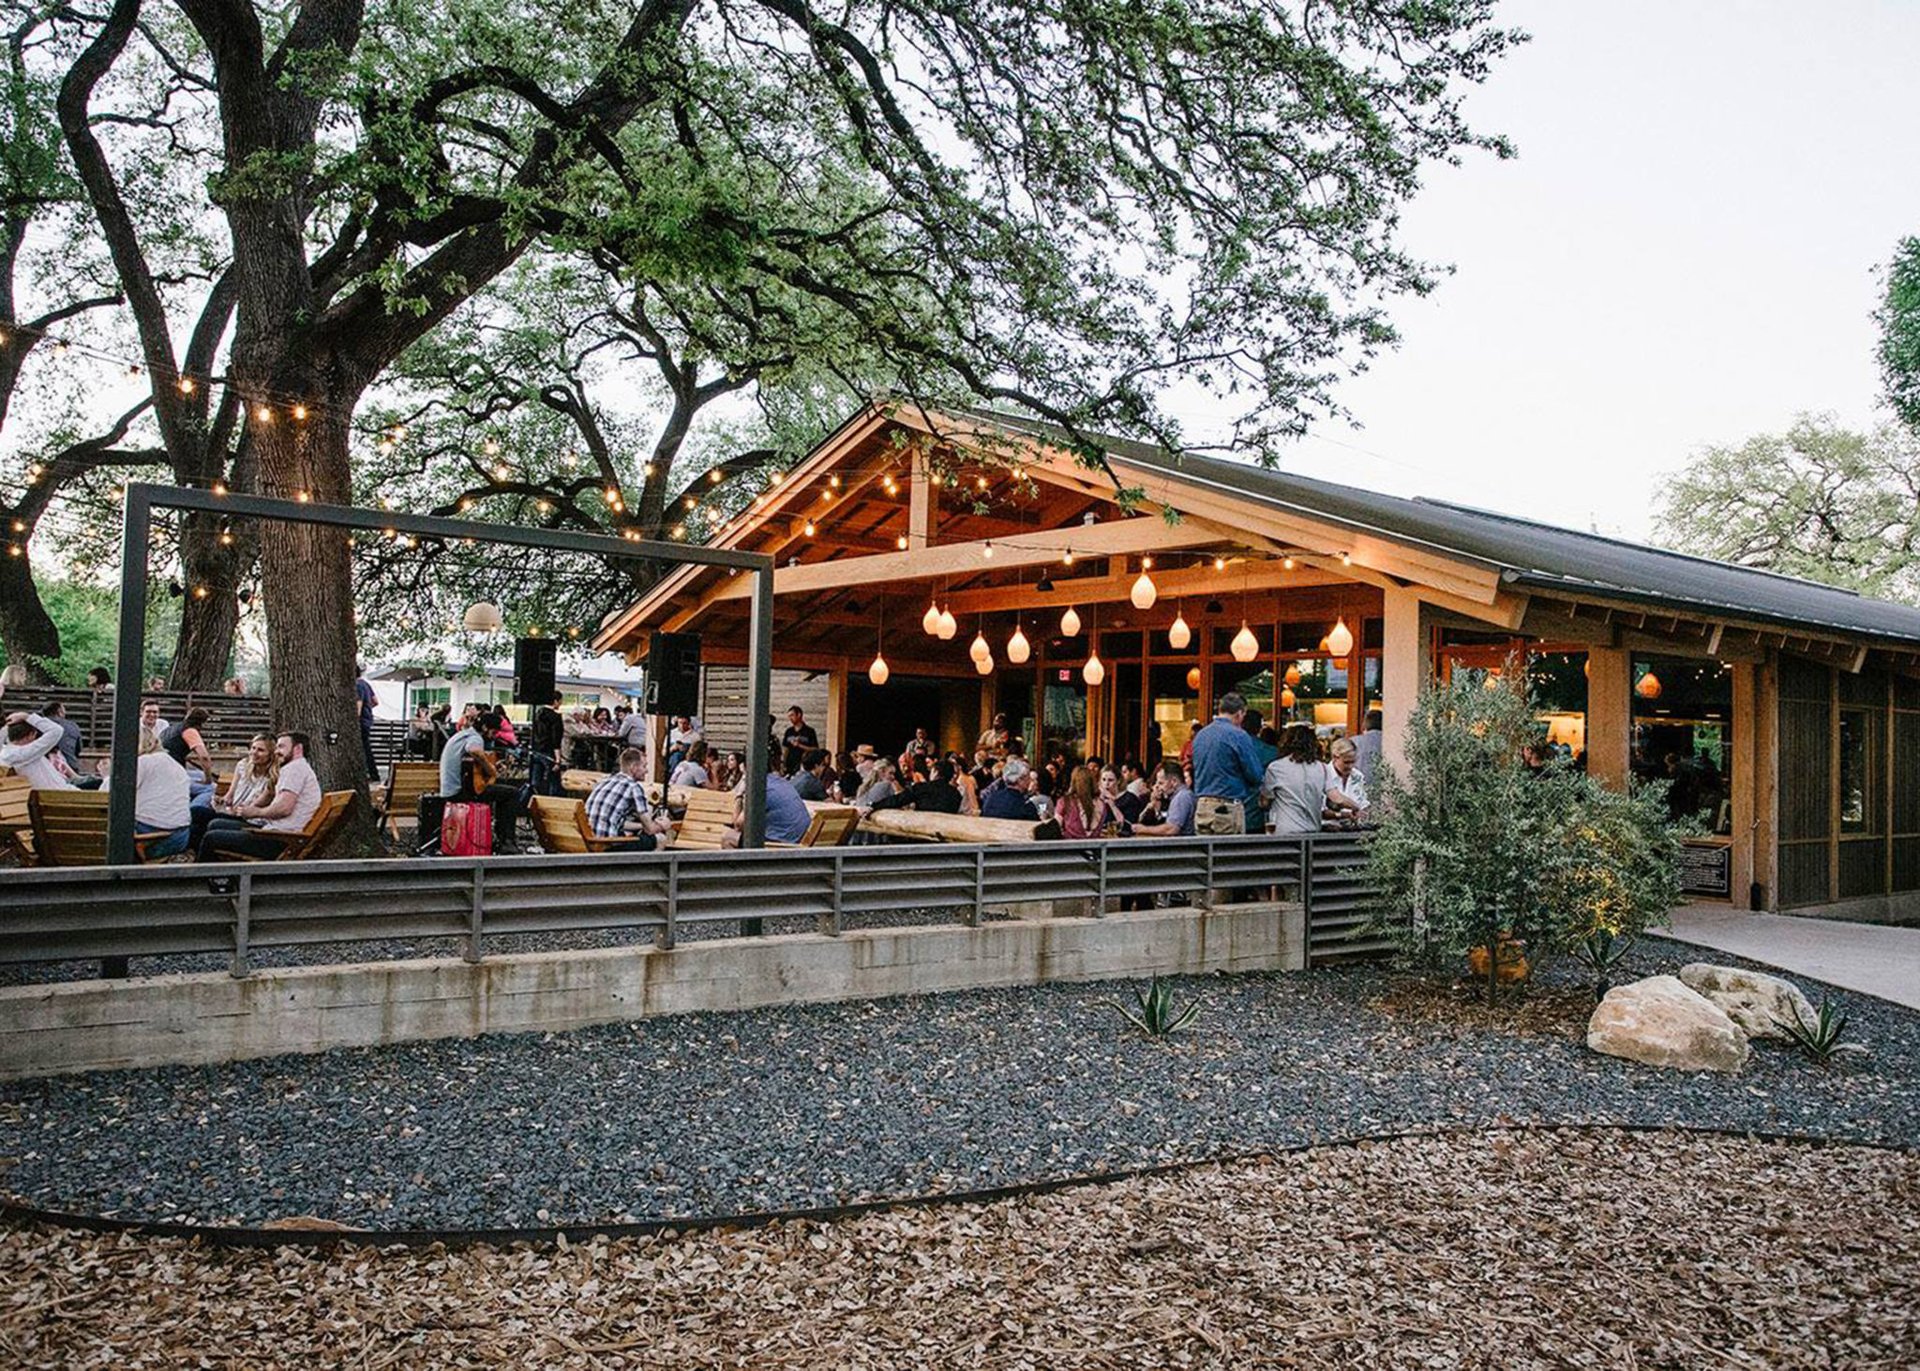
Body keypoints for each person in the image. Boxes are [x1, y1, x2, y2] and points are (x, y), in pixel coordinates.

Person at [197, 732, 323, 861]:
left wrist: (257, 812)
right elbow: (273, 797)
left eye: (281, 747)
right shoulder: (296, 768)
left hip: (281, 840)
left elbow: (284, 808)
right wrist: (250, 809)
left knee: (211, 838)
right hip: (278, 833)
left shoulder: (295, 770)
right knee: (215, 824)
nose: (277, 751)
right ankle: (220, 877)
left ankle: (199, 879)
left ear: (298, 749)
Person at [439, 712, 519, 851]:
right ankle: (507, 842)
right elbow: (474, 751)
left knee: (498, 792)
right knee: (511, 793)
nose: (494, 736)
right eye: (493, 732)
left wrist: (491, 764)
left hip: (450, 788)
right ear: (484, 727)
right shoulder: (475, 738)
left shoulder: (462, 734)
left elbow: (469, 765)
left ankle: (495, 837)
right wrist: (491, 770)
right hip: (459, 791)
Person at [1189, 691, 1265, 834]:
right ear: (1240, 713)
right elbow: (1254, 775)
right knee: (1228, 854)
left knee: (1206, 853)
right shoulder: (1238, 735)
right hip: (1227, 806)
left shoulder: (1201, 735)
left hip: (1202, 806)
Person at [191, 733, 278, 853]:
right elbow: (229, 797)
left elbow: (253, 808)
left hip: (251, 819)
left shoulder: (272, 778)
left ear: (271, 755)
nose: (254, 752)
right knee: (196, 811)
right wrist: (221, 800)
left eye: (261, 750)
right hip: (232, 812)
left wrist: (234, 810)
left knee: (211, 823)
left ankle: (200, 856)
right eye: (253, 748)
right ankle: (194, 852)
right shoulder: (243, 766)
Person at [1262, 724, 1357, 834]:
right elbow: (1337, 798)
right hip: (1313, 833)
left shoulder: (1276, 768)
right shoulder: (1322, 768)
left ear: (1286, 743)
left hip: (1286, 833)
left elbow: (1265, 802)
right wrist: (1356, 807)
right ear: (1313, 745)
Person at [583, 747, 675, 850]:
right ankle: (653, 866)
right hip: (607, 845)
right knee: (660, 839)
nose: (646, 771)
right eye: (644, 766)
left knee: (629, 835)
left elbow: (614, 821)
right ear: (634, 767)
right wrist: (663, 825)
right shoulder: (633, 787)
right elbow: (650, 830)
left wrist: (641, 826)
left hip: (590, 841)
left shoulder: (604, 781)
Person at [129, 727, 193, 859]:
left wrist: (107, 775)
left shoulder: (143, 762)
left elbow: (111, 794)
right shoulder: (177, 766)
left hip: (150, 837)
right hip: (180, 838)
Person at [724, 768, 811, 846]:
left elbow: (738, 825)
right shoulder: (782, 782)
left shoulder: (759, 788)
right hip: (799, 839)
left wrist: (739, 795)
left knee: (728, 838)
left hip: (782, 844)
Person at [864, 755, 963, 814]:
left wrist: (874, 805)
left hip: (922, 833)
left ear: (936, 772)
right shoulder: (956, 794)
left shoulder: (922, 788)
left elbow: (898, 800)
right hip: (946, 839)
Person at [2, 711, 75, 789]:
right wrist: (27, 717)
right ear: (31, 734)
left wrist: (7, 724)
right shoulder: (24, 753)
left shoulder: (8, 752)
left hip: (57, 791)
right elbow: (57, 730)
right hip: (59, 794)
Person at [160, 707, 217, 803]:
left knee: (199, 774)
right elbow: (204, 757)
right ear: (202, 723)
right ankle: (195, 809)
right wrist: (208, 780)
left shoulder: (172, 728)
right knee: (212, 787)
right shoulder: (190, 731)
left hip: (163, 771)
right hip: (171, 777)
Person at [1057, 763, 1125, 839]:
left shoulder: (1065, 801)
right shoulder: (1101, 803)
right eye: (1104, 780)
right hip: (1096, 848)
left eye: (1110, 780)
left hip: (1070, 848)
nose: (1107, 783)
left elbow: (1056, 827)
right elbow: (1120, 823)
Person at [1131, 760, 1197, 837]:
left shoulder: (1181, 797)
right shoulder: (1181, 796)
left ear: (1174, 781)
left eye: (1161, 783)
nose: (1158, 787)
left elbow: (1172, 828)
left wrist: (1143, 829)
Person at [530, 692, 566, 797]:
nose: (561, 704)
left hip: (536, 750)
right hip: (549, 752)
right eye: (560, 701)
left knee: (536, 780)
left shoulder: (537, 714)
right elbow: (556, 739)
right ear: (555, 701)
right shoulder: (556, 717)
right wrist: (558, 759)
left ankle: (534, 801)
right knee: (553, 781)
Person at [1328, 736, 1370, 815]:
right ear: (1335, 758)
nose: (1350, 766)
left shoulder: (1357, 775)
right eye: (1346, 762)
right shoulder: (1325, 775)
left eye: (1353, 762)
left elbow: (1363, 803)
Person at [45, 700, 84, 771]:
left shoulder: (38, 726)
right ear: (59, 712)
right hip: (71, 767)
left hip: (46, 769)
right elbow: (78, 750)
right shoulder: (72, 726)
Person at [780, 706, 819, 774]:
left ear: (799, 715)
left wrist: (799, 745)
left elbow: (815, 749)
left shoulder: (809, 731)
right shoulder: (789, 731)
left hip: (803, 765)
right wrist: (783, 763)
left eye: (792, 715)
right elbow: (785, 748)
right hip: (790, 765)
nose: (790, 718)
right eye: (789, 716)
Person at [1352, 708, 1384, 781]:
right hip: (1381, 787)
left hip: (1357, 785)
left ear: (1364, 724)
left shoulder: (1354, 741)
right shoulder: (1389, 742)